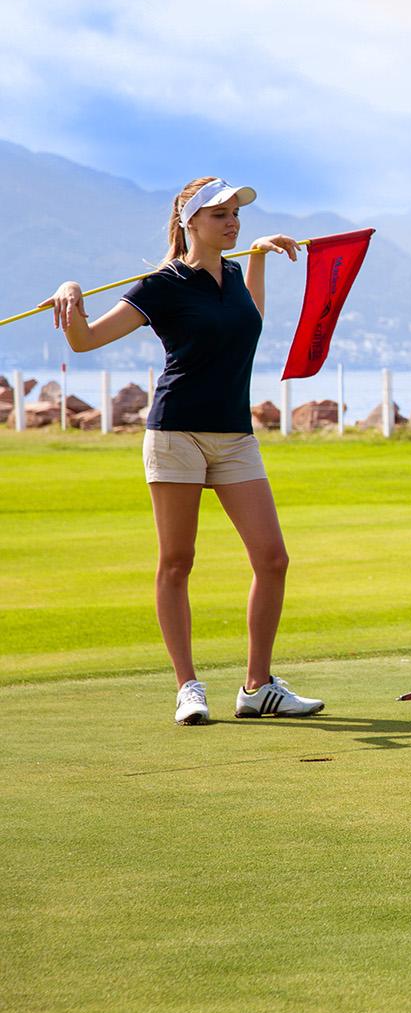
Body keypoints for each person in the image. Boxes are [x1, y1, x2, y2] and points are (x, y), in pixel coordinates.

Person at [46, 177, 323, 725]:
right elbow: (84, 340)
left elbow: (251, 323)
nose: (232, 222)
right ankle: (188, 686)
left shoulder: (237, 272)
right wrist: (70, 286)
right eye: (219, 214)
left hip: (235, 436)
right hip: (176, 434)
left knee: (273, 559)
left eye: (235, 214)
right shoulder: (160, 286)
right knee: (178, 561)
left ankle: (257, 686)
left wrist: (262, 258)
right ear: (189, 221)